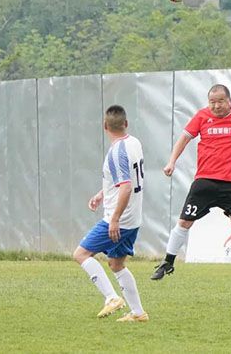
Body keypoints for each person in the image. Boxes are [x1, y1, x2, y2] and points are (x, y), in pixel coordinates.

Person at [150, 84, 231, 291]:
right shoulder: (202, 116)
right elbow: (184, 138)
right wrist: (172, 161)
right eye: (212, 102)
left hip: (230, 184)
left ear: (229, 101)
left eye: (220, 101)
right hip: (204, 182)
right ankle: (167, 262)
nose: (216, 106)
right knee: (184, 221)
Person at [73, 105, 149, 322]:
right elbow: (124, 181)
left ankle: (112, 298)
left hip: (119, 220)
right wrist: (102, 194)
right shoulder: (134, 142)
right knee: (116, 264)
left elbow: (125, 187)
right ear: (126, 124)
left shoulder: (116, 153)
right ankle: (138, 313)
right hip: (133, 219)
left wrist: (114, 219)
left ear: (104, 126)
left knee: (80, 254)